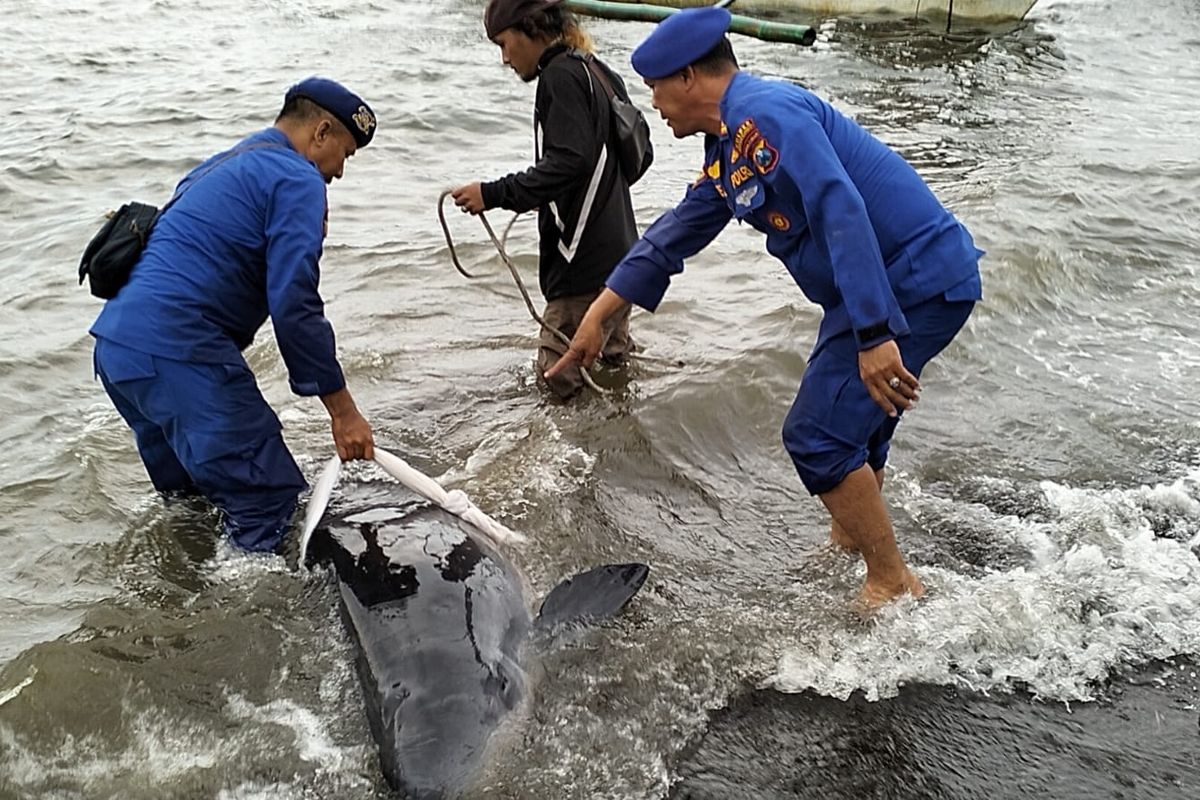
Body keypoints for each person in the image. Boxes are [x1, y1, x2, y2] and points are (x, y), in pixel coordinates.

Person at [546, 9, 983, 607]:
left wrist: (876, 334)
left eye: (655, 87)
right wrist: (600, 314)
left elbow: (839, 205)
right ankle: (850, 544)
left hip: (913, 280)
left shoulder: (766, 114)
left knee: (816, 436)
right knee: (853, 424)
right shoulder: (729, 145)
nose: (654, 102)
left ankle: (891, 580)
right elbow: (677, 231)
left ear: (691, 77)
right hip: (882, 286)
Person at [89, 77, 379, 553]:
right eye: (345, 155)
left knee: (193, 507)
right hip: (178, 348)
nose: (340, 173)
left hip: (119, 352)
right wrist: (343, 412)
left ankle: (180, 605)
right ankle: (251, 621)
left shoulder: (221, 164)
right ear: (321, 132)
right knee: (268, 504)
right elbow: (295, 303)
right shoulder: (297, 179)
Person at [450, 0, 648, 399]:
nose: (505, 59)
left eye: (504, 44)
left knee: (558, 382)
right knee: (612, 368)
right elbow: (635, 155)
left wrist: (492, 194)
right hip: (620, 257)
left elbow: (569, 162)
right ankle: (618, 452)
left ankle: (569, 460)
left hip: (580, 265)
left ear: (533, 28)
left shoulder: (558, 76)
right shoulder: (596, 70)